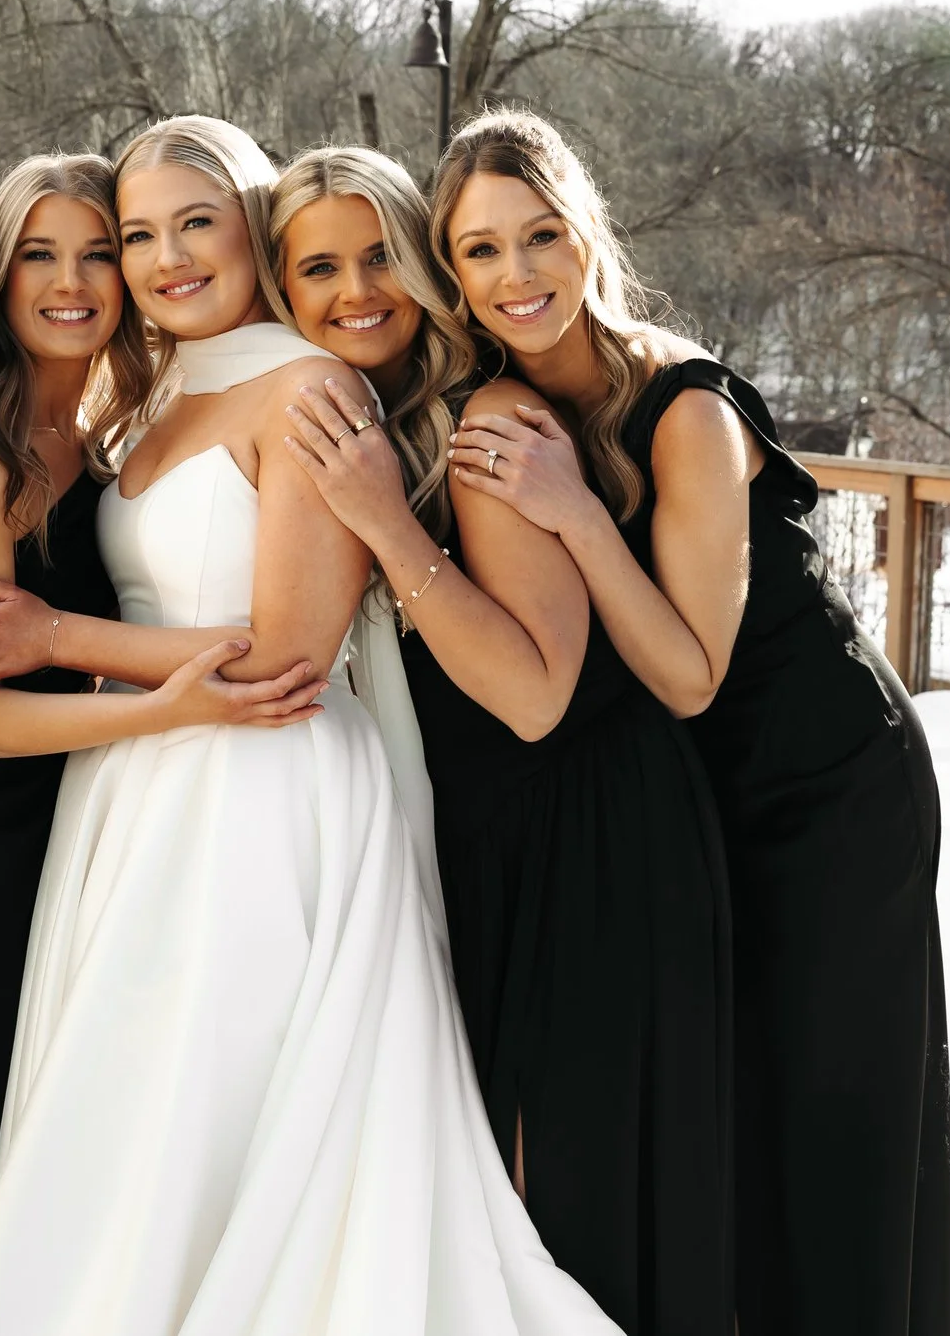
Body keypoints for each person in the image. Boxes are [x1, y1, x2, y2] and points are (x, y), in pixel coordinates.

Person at [0, 117, 616, 1336]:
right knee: (131, 1125)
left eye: (195, 222)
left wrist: (57, 638)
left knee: (219, 1115)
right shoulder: (149, 395)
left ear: (249, 227)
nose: (163, 256)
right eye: (138, 232)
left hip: (263, 792)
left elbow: (292, 654)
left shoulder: (309, 388)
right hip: (146, 784)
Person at [438, 110, 950, 1336]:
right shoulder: (506, 402)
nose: (518, 275)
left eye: (540, 236)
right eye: (480, 251)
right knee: (746, 1109)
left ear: (586, 234)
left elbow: (685, 670)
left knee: (838, 1108)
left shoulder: (681, 407)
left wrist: (569, 510)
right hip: (707, 797)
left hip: (829, 781)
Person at [0, 153, 324, 1335]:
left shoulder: (99, 438)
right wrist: (168, 706)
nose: (73, 280)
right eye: (38, 255)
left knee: (51, 1164)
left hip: (61, 832)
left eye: (97, 250)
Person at [271, 146, 734, 1333]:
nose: (355, 289)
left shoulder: (492, 419)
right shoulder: (375, 417)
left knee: (571, 1202)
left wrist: (381, 521)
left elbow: (534, 692)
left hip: (585, 833)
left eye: (381, 256)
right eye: (318, 266)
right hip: (490, 832)